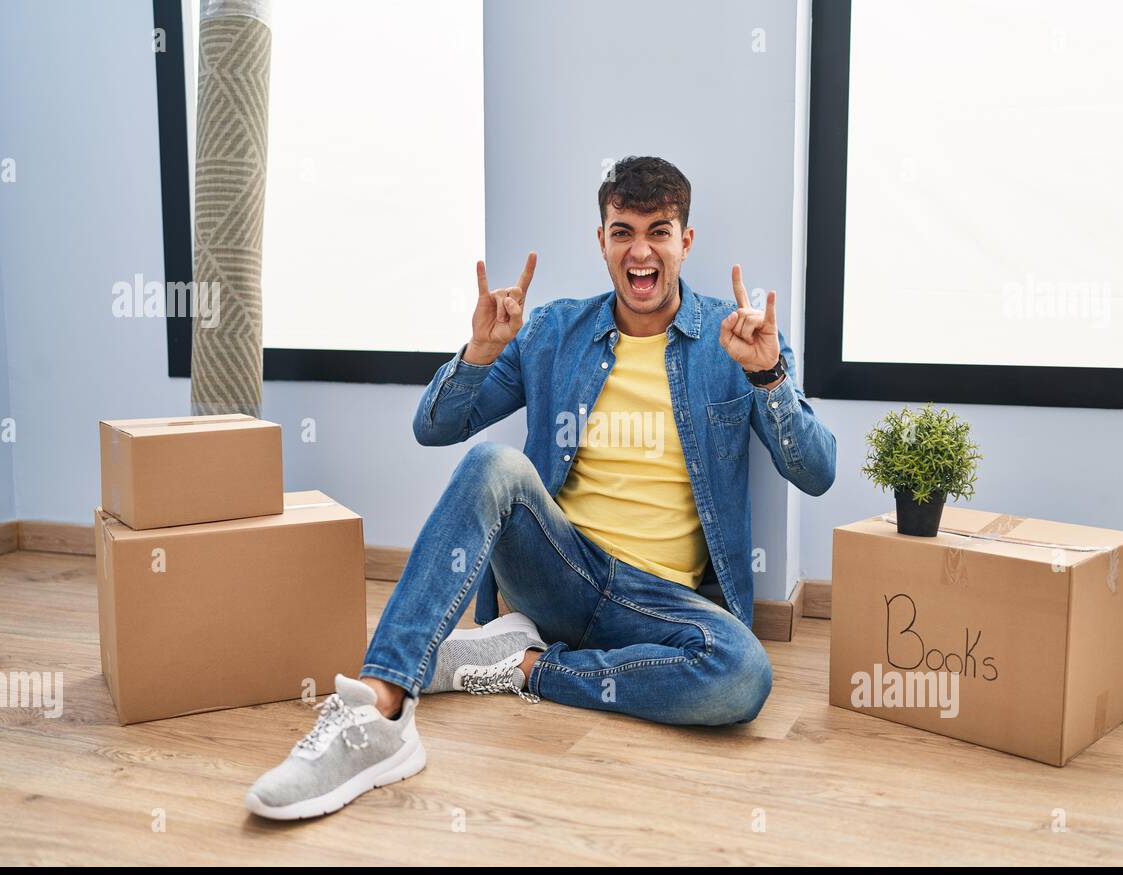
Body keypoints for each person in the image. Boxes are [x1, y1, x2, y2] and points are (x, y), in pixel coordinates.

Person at [244, 156, 837, 819]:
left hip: (662, 603)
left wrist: (769, 377)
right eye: (622, 231)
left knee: (744, 675)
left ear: (685, 241)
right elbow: (435, 428)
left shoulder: (736, 340)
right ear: (602, 241)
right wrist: (479, 353)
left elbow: (817, 473)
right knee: (491, 465)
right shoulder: (553, 331)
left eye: (659, 230)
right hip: (561, 571)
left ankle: (520, 665)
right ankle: (379, 713)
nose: (640, 250)